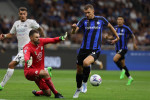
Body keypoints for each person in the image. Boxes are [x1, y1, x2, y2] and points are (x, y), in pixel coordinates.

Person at [71, 4, 119, 98]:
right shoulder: (83, 21)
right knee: (79, 70)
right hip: (83, 49)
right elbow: (74, 32)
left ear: (93, 11)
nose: (87, 15)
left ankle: (85, 83)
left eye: (88, 12)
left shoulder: (101, 19)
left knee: (86, 63)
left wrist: (117, 37)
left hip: (95, 49)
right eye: (85, 13)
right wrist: (73, 29)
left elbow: (110, 26)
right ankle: (78, 89)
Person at [0, 7, 45, 90]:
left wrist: (42, 38)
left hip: (27, 49)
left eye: (24, 14)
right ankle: (45, 74)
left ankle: (1, 85)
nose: (22, 15)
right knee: (34, 72)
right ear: (19, 14)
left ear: (26, 14)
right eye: (21, 14)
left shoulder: (31, 22)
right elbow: (11, 34)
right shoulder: (16, 23)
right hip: (21, 50)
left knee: (11, 65)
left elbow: (39, 28)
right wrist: (4, 36)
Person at [23, 30, 67, 98]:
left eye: (39, 37)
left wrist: (60, 38)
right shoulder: (27, 47)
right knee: (45, 73)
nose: (38, 39)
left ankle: (37, 92)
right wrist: (27, 60)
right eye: (36, 37)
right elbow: (26, 55)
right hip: (29, 71)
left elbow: (52, 40)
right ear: (31, 38)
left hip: (39, 71)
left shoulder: (41, 41)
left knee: (48, 93)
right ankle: (56, 94)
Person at [105, 16, 137, 85]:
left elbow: (133, 36)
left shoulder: (126, 28)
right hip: (117, 49)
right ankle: (130, 78)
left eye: (121, 19)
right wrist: (108, 37)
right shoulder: (115, 28)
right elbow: (113, 36)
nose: (119, 20)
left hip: (123, 48)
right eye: (118, 19)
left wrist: (134, 44)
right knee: (123, 65)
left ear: (123, 21)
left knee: (115, 59)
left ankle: (122, 70)